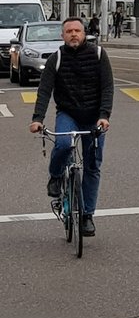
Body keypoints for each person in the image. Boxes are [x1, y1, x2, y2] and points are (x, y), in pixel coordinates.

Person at [29, 17, 114, 238]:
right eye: (69, 31)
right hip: (68, 113)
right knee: (64, 144)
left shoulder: (98, 54)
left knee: (92, 165)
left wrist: (104, 116)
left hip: (94, 117)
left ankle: (87, 216)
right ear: (63, 35)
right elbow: (44, 91)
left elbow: (107, 88)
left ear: (84, 33)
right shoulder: (56, 58)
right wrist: (37, 118)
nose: (73, 34)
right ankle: (56, 176)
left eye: (77, 30)